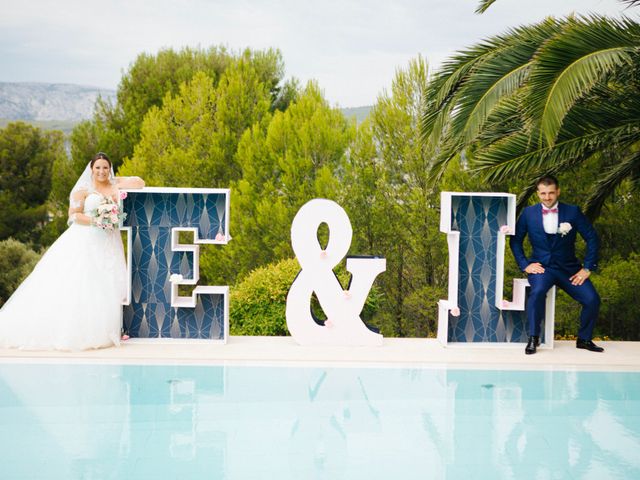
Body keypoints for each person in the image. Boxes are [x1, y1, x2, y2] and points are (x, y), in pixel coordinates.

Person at [0, 153, 144, 350]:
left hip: (109, 242)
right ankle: (76, 331)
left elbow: (139, 182)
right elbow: (74, 215)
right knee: (83, 282)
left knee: (106, 282)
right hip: (86, 239)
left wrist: (118, 182)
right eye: (98, 168)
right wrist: (98, 220)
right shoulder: (82, 190)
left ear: (109, 169)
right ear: (91, 169)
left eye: (105, 167)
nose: (101, 171)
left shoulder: (113, 185)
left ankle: (103, 330)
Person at [510, 175, 602, 355]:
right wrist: (525, 265)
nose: (547, 197)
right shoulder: (528, 213)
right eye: (543, 193)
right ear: (538, 194)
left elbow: (592, 238)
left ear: (558, 191)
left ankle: (584, 339)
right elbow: (515, 241)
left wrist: (587, 268)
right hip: (542, 268)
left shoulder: (573, 212)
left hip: (570, 269)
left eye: (551, 193)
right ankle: (533, 338)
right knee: (536, 293)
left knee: (592, 299)